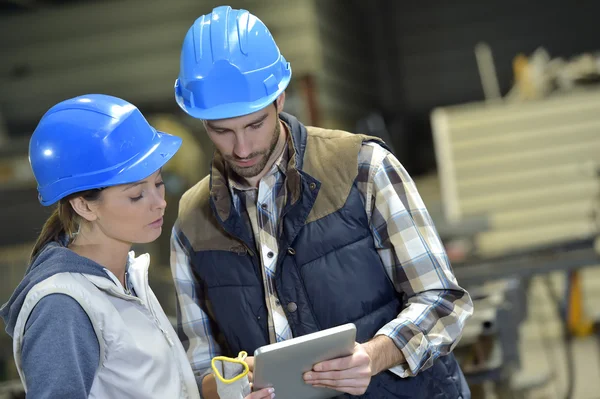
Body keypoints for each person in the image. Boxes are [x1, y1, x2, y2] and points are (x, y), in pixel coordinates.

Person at [170, 5, 474, 399]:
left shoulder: (362, 167)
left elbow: (443, 302)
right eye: (221, 131)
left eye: (254, 124)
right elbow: (198, 370)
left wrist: (374, 355)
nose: (241, 148)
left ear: (280, 99)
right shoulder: (192, 224)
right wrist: (227, 391)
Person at [0, 94, 275, 399]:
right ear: (84, 205)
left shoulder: (125, 278)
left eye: (158, 183)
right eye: (136, 195)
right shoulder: (62, 307)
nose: (160, 203)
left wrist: (225, 389)